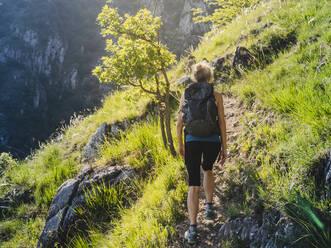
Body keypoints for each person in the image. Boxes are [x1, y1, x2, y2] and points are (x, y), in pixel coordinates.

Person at [176, 61, 227, 245]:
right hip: (212, 141)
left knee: (193, 184)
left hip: (191, 142)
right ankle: (209, 208)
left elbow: (179, 124)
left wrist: (181, 144)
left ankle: (192, 228)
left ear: (195, 77)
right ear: (209, 77)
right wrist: (224, 147)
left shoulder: (186, 94)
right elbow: (221, 122)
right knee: (208, 169)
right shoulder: (216, 95)